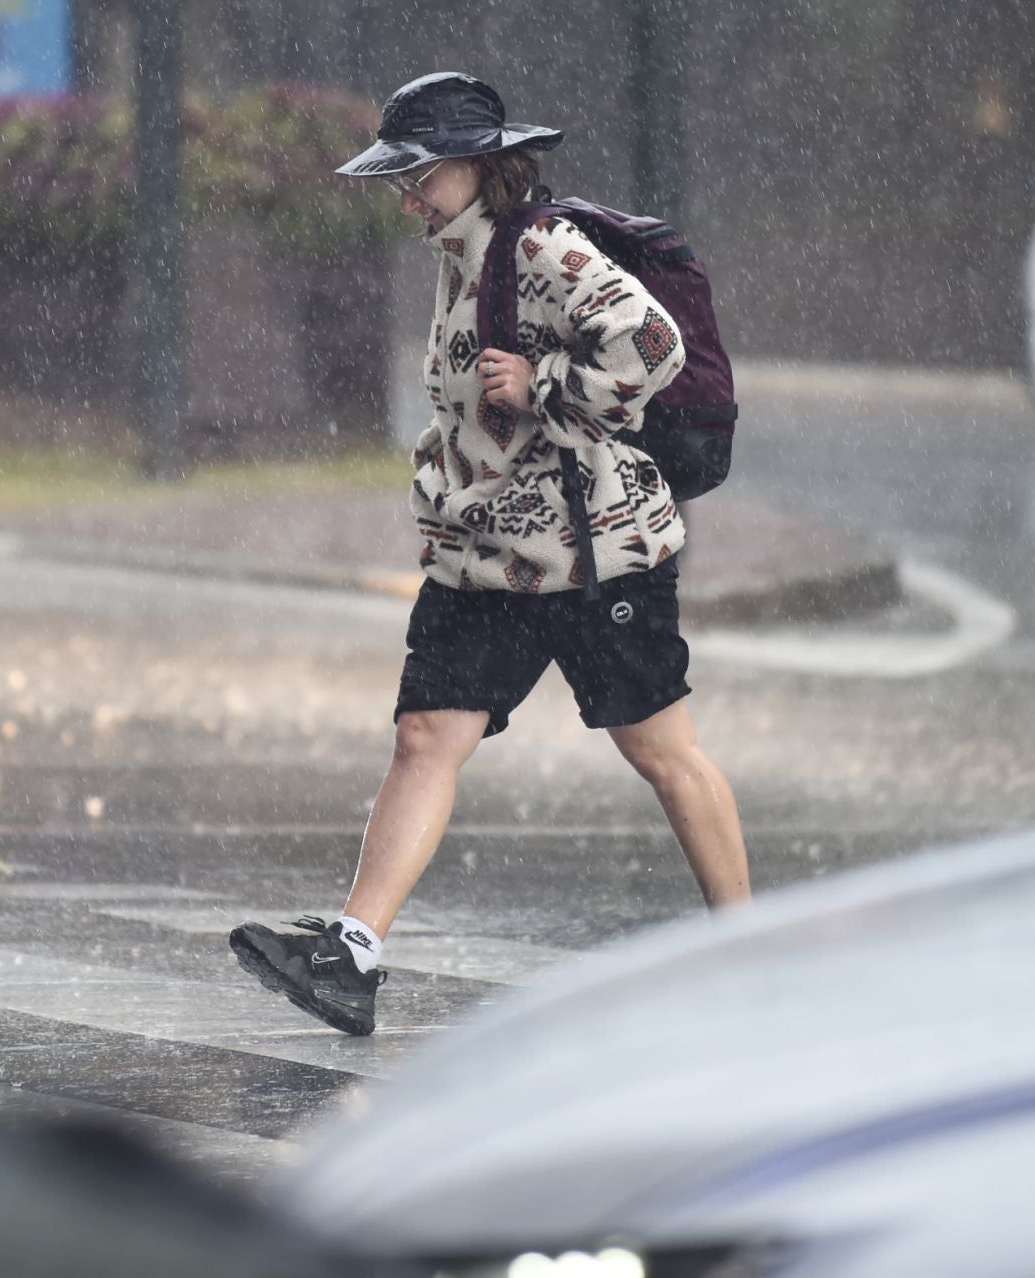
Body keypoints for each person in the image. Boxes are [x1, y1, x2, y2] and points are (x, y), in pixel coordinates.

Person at [230, 72, 751, 1037]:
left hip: (596, 556)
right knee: (425, 737)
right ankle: (352, 953)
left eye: (421, 177)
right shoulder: (461, 254)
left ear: (479, 166)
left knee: (665, 754)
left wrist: (544, 381)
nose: (408, 198)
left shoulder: (543, 246)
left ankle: (750, 953)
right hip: (488, 556)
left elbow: (654, 344)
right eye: (402, 180)